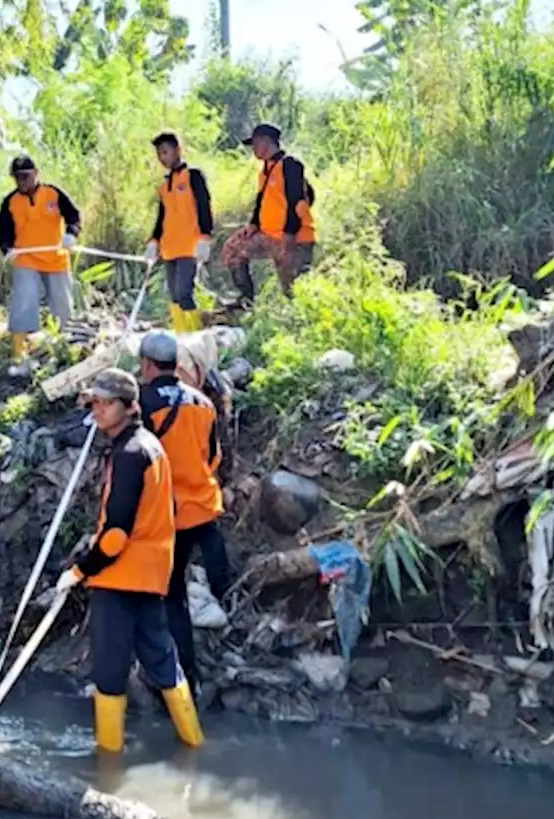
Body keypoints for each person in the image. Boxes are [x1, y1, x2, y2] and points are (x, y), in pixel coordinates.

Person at [51, 369, 204, 753]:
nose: (98, 411)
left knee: (109, 673)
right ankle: (194, 743)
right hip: (152, 577)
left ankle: (108, 765)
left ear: (129, 406)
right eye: (95, 404)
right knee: (164, 661)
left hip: (120, 579)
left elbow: (117, 533)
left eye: (106, 404)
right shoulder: (152, 447)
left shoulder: (129, 454)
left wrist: (81, 569)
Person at [136, 330, 230, 693]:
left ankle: (185, 674)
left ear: (146, 364)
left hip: (168, 513)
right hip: (203, 504)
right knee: (210, 553)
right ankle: (224, 596)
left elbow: (138, 458)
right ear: (176, 363)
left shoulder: (142, 403)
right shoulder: (202, 402)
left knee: (172, 596)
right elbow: (213, 455)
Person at [0, 155, 82, 373]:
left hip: (56, 256)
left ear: (36, 173)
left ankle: (64, 349)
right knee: (24, 300)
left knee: (62, 304)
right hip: (26, 258)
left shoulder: (53, 193)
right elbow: (4, 232)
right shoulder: (10, 202)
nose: (21, 182)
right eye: (17, 178)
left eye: (25, 176)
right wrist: (7, 250)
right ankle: (19, 354)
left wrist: (72, 234)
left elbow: (74, 216)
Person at [221, 123, 316, 306]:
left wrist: (289, 235)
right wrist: (253, 224)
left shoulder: (290, 165)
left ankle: (300, 320)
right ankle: (246, 300)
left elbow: (297, 202)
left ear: (266, 141)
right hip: (269, 235)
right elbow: (261, 200)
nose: (253, 149)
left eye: (255, 144)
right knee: (233, 249)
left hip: (295, 237)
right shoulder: (265, 171)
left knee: (293, 291)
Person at [144, 132, 215, 335]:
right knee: (174, 296)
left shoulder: (193, 176)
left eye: (165, 152)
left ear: (178, 150)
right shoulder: (164, 185)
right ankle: (181, 335)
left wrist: (205, 237)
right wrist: (154, 241)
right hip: (169, 248)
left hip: (189, 246)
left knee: (185, 293)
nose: (162, 158)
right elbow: (162, 217)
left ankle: (196, 336)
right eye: (159, 154)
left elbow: (204, 207)